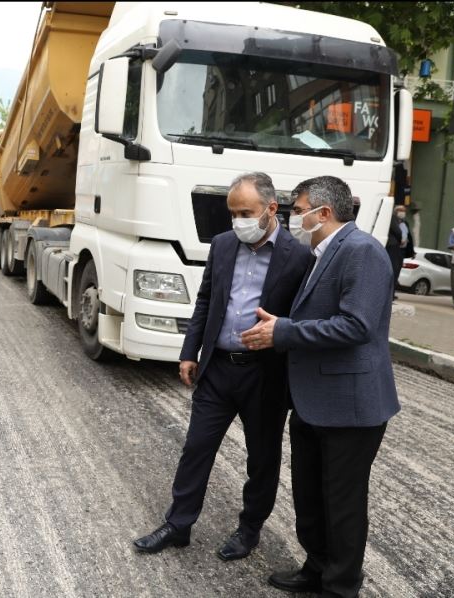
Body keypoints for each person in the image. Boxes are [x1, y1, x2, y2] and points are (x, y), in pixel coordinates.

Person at [133, 172, 313, 561]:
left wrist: (280, 335)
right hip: (217, 370)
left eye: (245, 212)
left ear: (270, 209)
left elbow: (303, 318)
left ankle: (249, 531)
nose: (237, 221)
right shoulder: (223, 245)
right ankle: (178, 525)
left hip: (265, 375)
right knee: (196, 447)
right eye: (232, 213)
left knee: (262, 459)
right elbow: (206, 300)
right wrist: (189, 351)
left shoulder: (299, 256)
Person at [241, 175, 400, 598]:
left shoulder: (362, 251)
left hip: (350, 404)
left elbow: (357, 325)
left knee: (342, 505)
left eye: (297, 209)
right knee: (311, 498)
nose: (293, 218)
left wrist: (285, 333)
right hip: (314, 401)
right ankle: (317, 567)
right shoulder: (323, 252)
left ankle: (341, 586)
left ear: (323, 213)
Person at [385, 205, 415, 299]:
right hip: (394, 248)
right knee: (392, 271)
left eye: (404, 210)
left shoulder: (405, 223)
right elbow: (397, 232)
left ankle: (392, 293)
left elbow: (409, 236)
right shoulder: (392, 219)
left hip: (401, 250)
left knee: (397, 272)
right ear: (395, 211)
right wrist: (401, 239)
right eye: (400, 210)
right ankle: (388, 294)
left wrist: (411, 251)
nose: (403, 212)